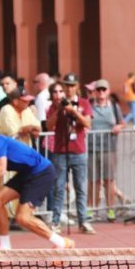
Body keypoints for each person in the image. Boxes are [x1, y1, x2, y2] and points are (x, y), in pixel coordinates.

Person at [0, 122, 74, 250]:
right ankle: (5, 246)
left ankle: (62, 242)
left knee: (22, 218)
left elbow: (1, 169)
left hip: (42, 172)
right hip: (26, 173)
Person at [47, 73, 94, 233]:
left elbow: (87, 123)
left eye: (72, 85)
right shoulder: (56, 104)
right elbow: (49, 125)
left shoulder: (84, 103)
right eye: (66, 85)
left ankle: (83, 221)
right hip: (60, 151)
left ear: (77, 86)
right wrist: (60, 110)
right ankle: (55, 222)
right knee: (59, 188)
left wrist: (73, 111)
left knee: (80, 187)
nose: (69, 89)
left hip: (79, 151)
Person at [88, 79, 128, 222]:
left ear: (108, 91)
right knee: (93, 180)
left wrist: (119, 127)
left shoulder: (114, 107)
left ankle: (110, 209)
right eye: (98, 90)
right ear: (94, 92)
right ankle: (91, 209)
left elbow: (122, 122)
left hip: (109, 148)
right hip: (92, 148)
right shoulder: (90, 106)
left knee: (109, 180)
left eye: (104, 89)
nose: (101, 92)